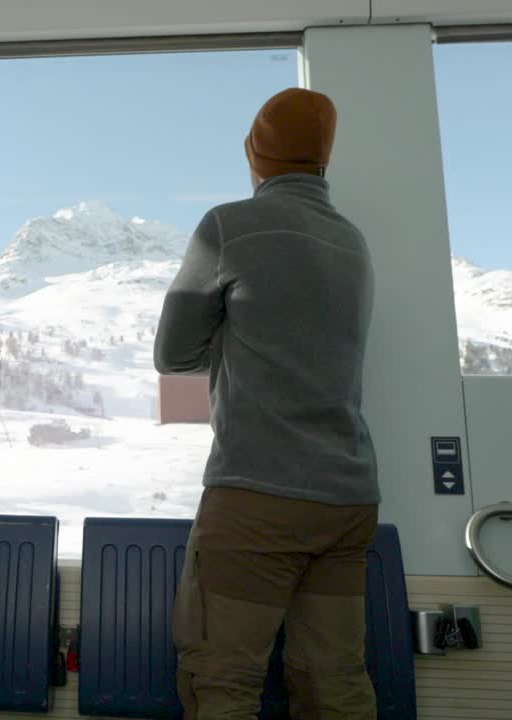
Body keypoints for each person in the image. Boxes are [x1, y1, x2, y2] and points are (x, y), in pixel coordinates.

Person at [153, 87, 379, 719]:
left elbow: (173, 355)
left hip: (257, 496)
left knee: (221, 679)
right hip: (349, 498)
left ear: (254, 154)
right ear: (325, 160)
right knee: (335, 680)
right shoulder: (353, 241)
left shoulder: (229, 226)